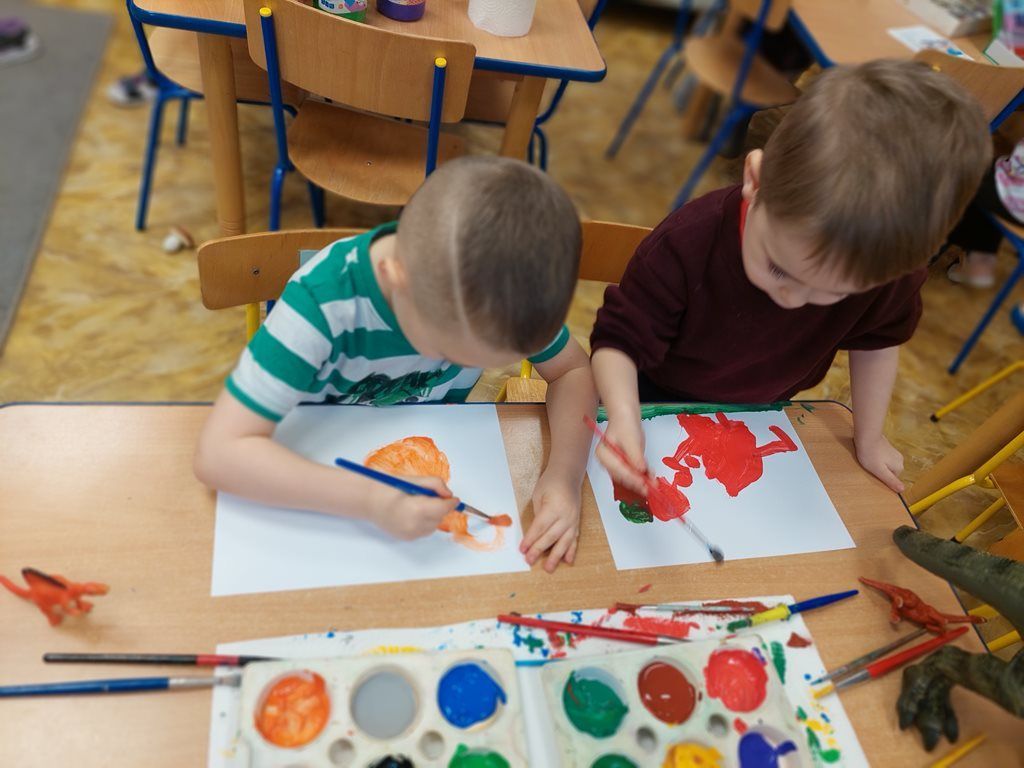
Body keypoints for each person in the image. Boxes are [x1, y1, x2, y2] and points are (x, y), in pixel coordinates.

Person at [591, 60, 990, 495]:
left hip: (764, 410)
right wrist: (624, 416)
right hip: (651, 392)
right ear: (755, 180)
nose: (793, 299)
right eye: (779, 268)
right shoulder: (689, 241)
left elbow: (878, 342)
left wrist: (869, 436)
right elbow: (619, 341)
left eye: (834, 293)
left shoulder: (883, 270)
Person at [195, 157, 596, 573]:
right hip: (314, 477)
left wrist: (564, 475)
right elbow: (217, 454)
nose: (469, 367)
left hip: (430, 447)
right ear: (396, 278)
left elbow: (572, 371)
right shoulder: (320, 307)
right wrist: (370, 500)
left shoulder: (501, 294)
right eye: (451, 354)